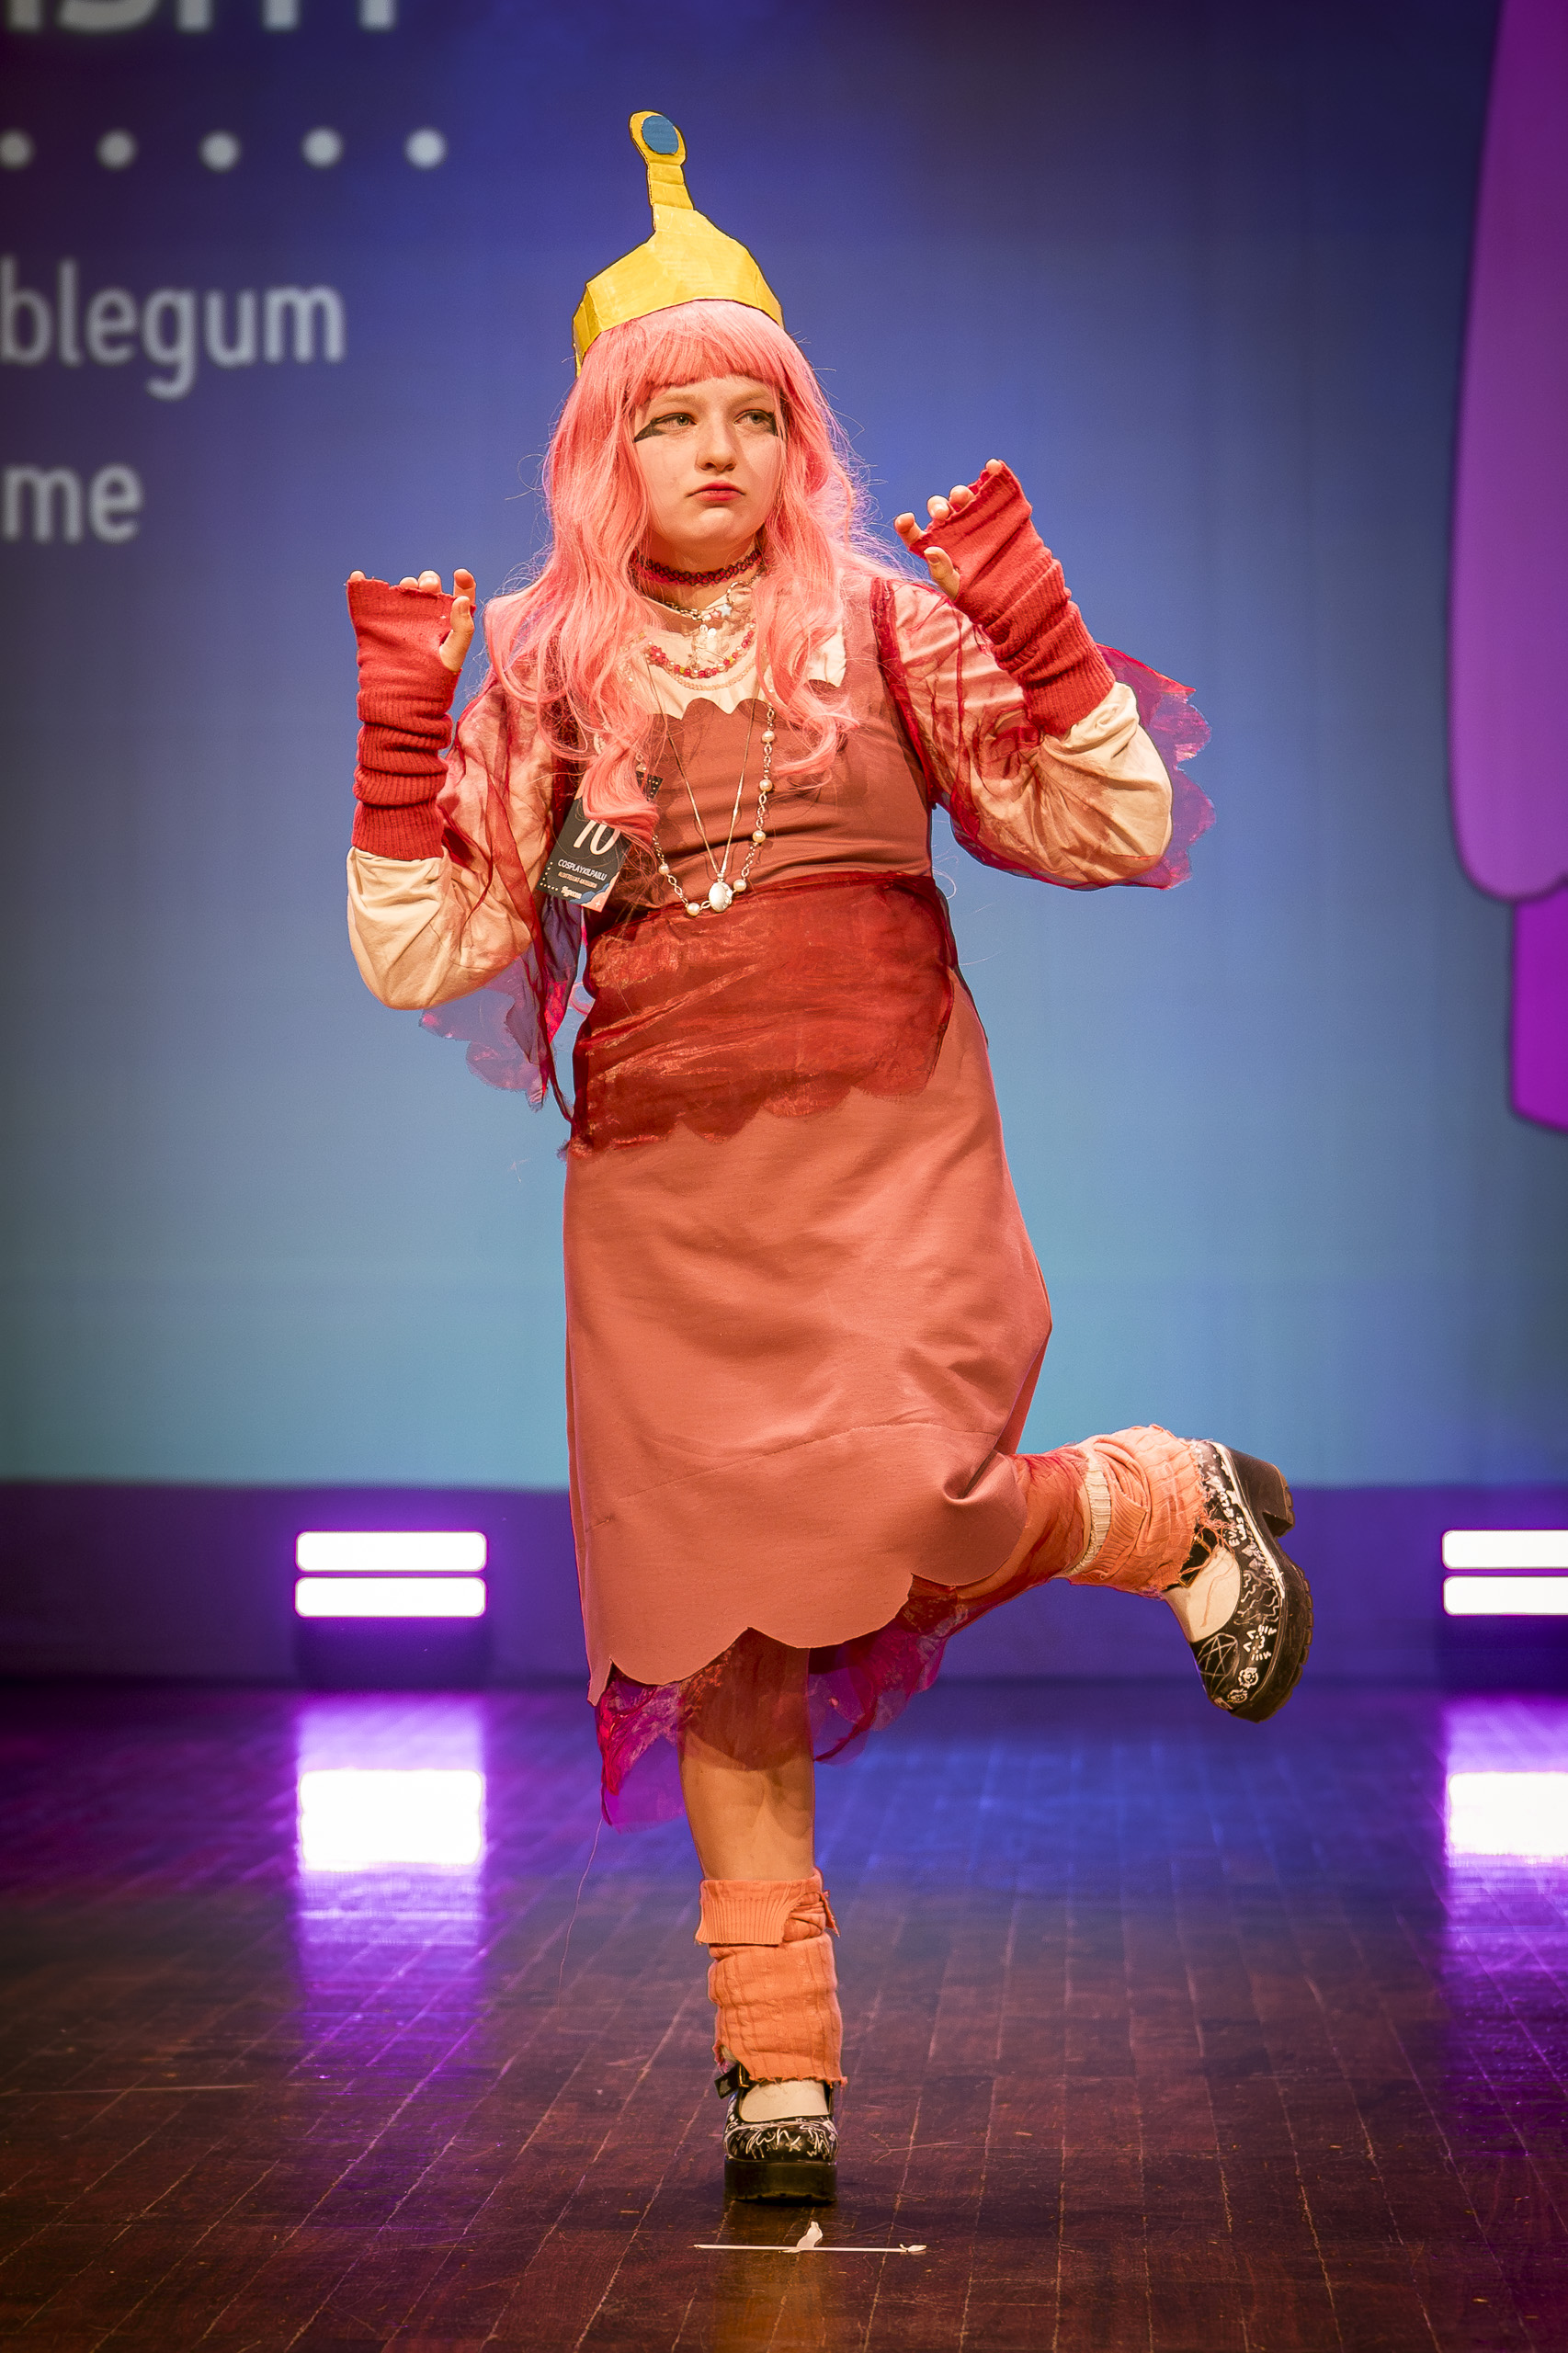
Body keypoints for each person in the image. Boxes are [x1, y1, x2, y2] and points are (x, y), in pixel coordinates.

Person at [343, 113, 1312, 2207]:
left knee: (910, 1498)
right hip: (660, 1199)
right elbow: (426, 948)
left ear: (798, 441)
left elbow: (1113, 823)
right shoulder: (545, 666)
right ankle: (774, 2073)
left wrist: (1036, 632)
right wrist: (405, 740)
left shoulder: (882, 626)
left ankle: (1154, 1503)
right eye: (669, 419)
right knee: (714, 1634)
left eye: (751, 416)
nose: (715, 452)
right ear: (601, 455)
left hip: (882, 1145)